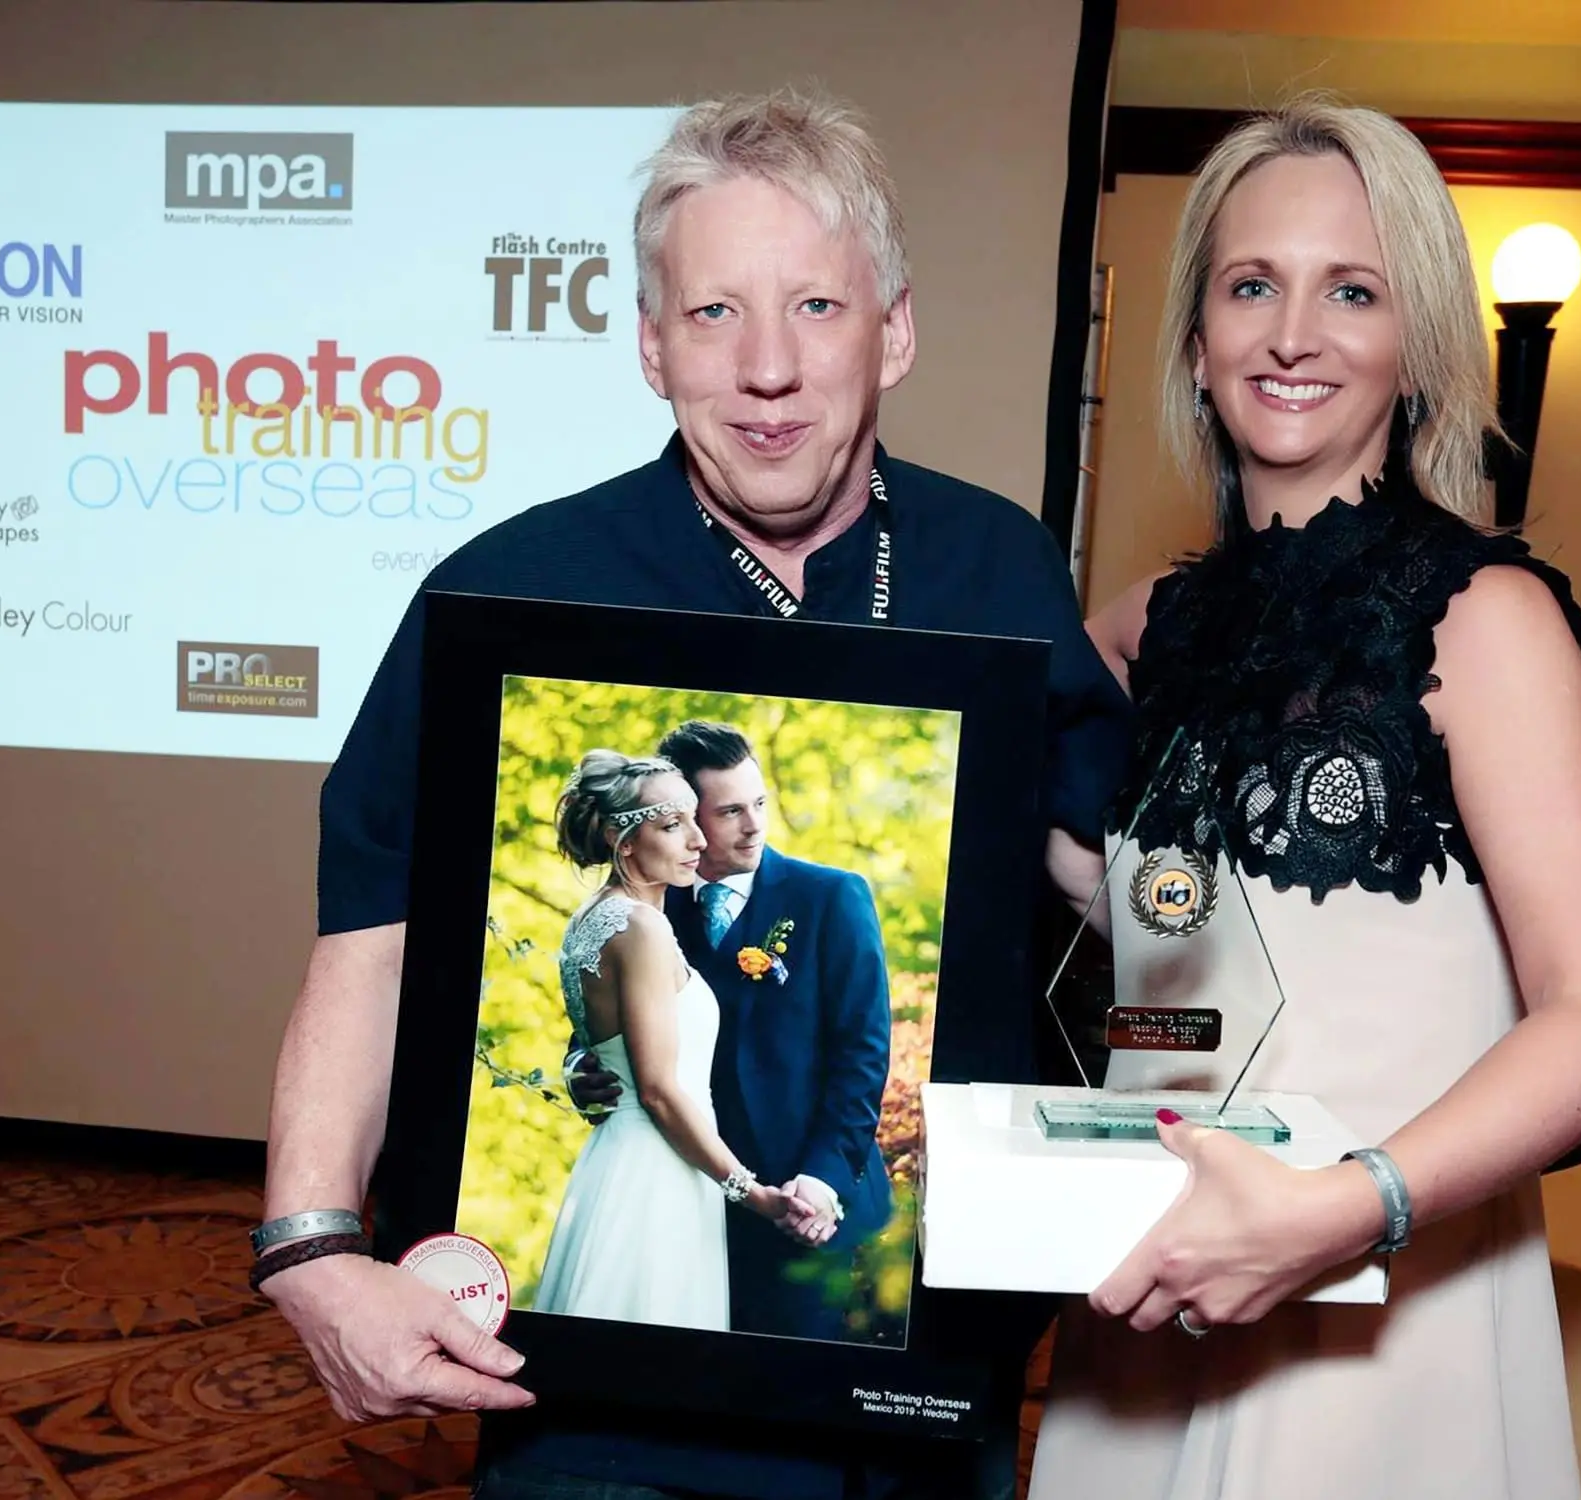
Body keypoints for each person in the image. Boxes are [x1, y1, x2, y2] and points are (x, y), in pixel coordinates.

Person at [255, 86, 1133, 1500]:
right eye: (715, 315)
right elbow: (374, 931)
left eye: (817, 308)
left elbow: (1115, 902)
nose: (767, 368)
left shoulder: (1002, 569)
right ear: (653, 348)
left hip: (910, 1368)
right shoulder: (509, 592)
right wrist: (306, 1247)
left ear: (895, 330)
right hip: (604, 1397)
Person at [1028, 96, 1581, 1500]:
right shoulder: (1140, 632)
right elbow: (1135, 963)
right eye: (1252, 285)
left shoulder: (1484, 619)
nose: (1293, 334)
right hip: (1158, 1289)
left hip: (1384, 1309)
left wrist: (1345, 1211)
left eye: (1353, 291)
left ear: (1417, 349)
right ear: (1196, 343)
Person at [569, 721, 892, 1342]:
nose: (755, 826)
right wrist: (581, 1066)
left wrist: (820, 1182)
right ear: (684, 816)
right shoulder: (646, 909)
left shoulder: (831, 897)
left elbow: (863, 1055)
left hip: (802, 1205)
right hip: (686, 1199)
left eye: (760, 804)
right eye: (730, 811)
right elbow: (603, 1023)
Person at [532, 751, 805, 1329]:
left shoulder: (592, 916)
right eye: (671, 824)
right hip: (658, 1171)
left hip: (624, 1159)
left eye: (692, 820)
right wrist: (751, 1193)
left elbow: (608, 1044)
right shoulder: (642, 928)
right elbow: (656, 1090)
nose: (698, 840)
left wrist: (582, 1061)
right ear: (621, 839)